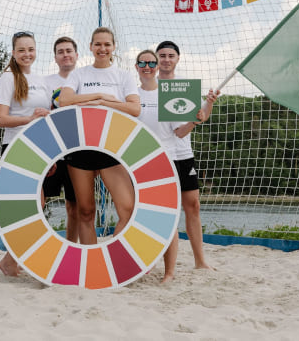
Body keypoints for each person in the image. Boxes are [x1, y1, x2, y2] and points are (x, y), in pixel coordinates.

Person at [59, 27, 140, 245]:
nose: (102, 49)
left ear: (114, 47)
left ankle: (115, 257)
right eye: (98, 44)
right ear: (91, 47)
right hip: (80, 146)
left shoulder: (123, 76)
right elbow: (64, 101)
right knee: (85, 212)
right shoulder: (79, 74)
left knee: (128, 208)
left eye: (107, 44)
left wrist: (106, 102)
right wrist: (98, 95)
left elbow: (135, 109)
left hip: (112, 147)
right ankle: (91, 265)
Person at [156, 40, 220, 270]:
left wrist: (209, 104)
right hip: (161, 157)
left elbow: (196, 120)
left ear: (177, 59)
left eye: (170, 55)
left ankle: (200, 261)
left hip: (184, 154)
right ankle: (163, 264)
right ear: (156, 59)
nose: (166, 59)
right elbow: (182, 128)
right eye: (162, 55)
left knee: (192, 206)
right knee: (167, 210)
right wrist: (194, 120)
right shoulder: (149, 88)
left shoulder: (184, 89)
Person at [0, 30, 51, 276]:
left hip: (39, 148)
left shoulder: (41, 79)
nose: (27, 54)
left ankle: (11, 260)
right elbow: (1, 119)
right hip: (17, 148)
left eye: (31, 49)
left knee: (39, 204)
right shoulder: (8, 78)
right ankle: (16, 259)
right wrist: (29, 118)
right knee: (30, 206)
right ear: (13, 53)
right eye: (21, 50)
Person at [135, 49, 179, 283]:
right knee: (139, 216)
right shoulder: (130, 95)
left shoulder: (168, 94)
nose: (148, 66)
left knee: (167, 218)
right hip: (136, 163)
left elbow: (180, 131)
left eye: (152, 62)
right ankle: (142, 263)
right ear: (137, 67)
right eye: (142, 62)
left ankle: (169, 273)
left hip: (164, 161)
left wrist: (196, 118)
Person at [43, 36, 80, 242]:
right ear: (55, 57)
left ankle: (71, 246)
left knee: (75, 205)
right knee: (39, 201)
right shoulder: (46, 83)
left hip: (78, 150)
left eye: (69, 50)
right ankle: (38, 245)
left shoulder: (84, 80)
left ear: (76, 55)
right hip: (52, 150)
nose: (65, 55)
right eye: (60, 51)